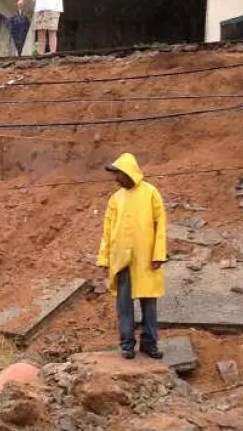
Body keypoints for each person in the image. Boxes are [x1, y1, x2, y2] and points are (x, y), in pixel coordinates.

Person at [97, 153, 167, 360]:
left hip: (146, 258)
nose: (116, 179)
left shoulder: (151, 193)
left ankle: (150, 344)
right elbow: (107, 231)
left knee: (149, 304)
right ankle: (127, 345)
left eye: (119, 175)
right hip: (122, 259)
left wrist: (159, 254)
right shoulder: (115, 199)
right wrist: (105, 258)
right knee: (124, 305)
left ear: (129, 173)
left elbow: (160, 225)